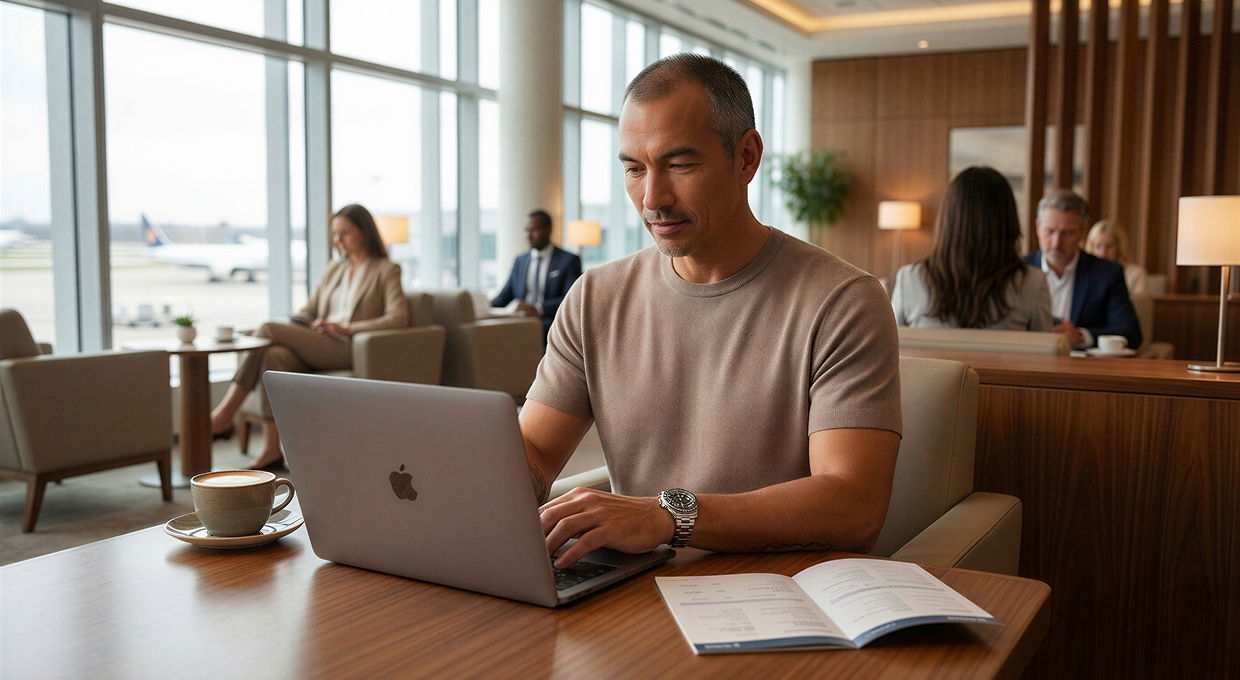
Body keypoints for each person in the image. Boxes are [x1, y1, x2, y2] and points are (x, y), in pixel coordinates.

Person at [522, 54, 903, 569]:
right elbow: (537, 453)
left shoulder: (843, 302)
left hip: (776, 591)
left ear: (746, 157)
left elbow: (853, 505)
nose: (652, 198)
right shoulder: (595, 299)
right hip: (634, 588)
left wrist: (667, 516)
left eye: (680, 164)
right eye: (634, 169)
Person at [209, 204, 408, 470]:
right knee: (273, 356)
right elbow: (310, 310)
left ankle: (224, 413)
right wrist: (301, 322)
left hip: (348, 345)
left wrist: (347, 328)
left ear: (365, 232)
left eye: (345, 233)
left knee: (268, 328)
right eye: (335, 234)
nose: (338, 241)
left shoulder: (386, 269)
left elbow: (398, 318)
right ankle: (271, 450)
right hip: (319, 340)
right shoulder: (334, 270)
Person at [892, 166, 1052, 331]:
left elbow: (891, 351)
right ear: (1008, 223)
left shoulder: (910, 280)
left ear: (948, 220)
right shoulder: (1033, 284)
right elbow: (1048, 352)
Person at [1022, 189, 1141, 349]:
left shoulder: (1107, 274)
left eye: (1067, 233)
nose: (1056, 243)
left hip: (1081, 367)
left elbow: (1131, 334)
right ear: (1038, 227)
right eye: (1049, 231)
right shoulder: (1019, 269)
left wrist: (1081, 336)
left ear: (1083, 232)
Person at [491, 210, 583, 339]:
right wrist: (485, 306)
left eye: (534, 230)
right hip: (520, 321)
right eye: (526, 230)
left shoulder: (568, 260)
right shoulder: (520, 261)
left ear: (548, 230)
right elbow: (506, 295)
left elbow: (571, 300)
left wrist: (538, 308)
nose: (528, 235)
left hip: (549, 322)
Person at [1086, 219, 1149, 295]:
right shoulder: (1085, 272)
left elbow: (1139, 305)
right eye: (1098, 246)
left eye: (1109, 246)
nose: (1103, 252)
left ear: (1120, 247)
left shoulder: (1136, 274)